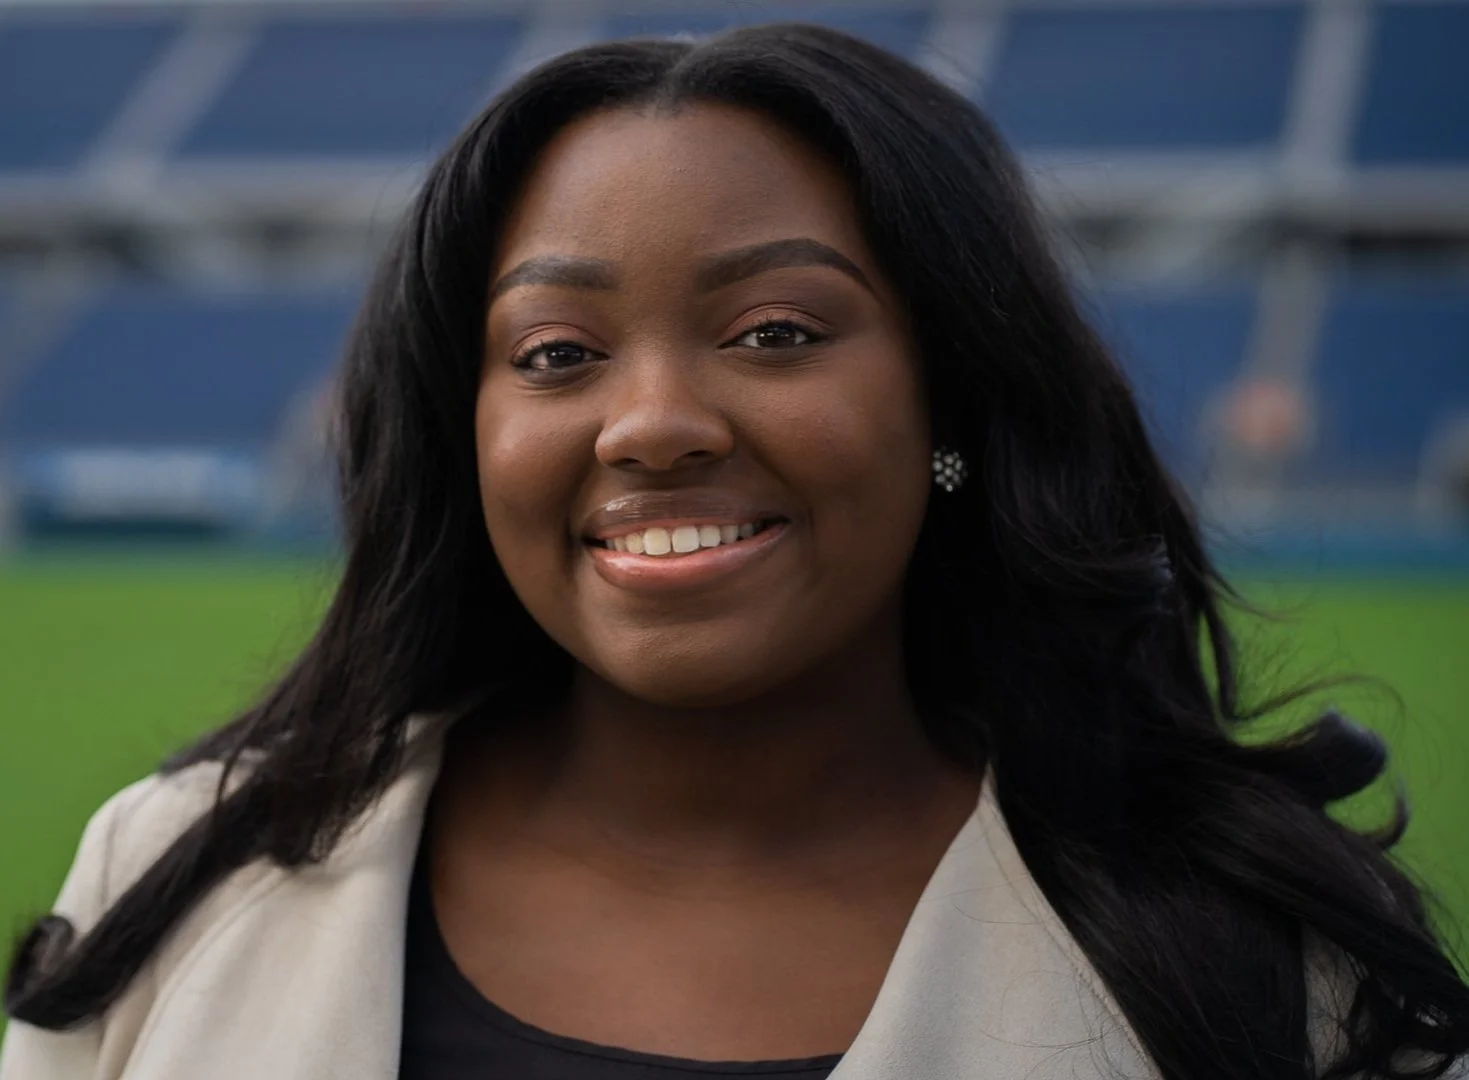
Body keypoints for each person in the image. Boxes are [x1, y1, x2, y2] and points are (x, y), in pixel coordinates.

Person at [4, 24, 1467, 1080]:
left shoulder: (1267, 975)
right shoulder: (176, 876)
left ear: (955, 401)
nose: (650, 425)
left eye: (776, 333)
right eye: (558, 351)